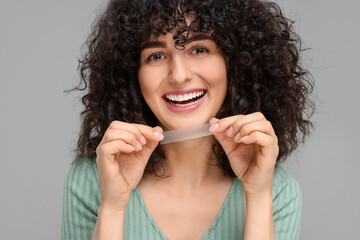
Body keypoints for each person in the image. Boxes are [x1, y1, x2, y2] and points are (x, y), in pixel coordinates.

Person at [62, 0, 314, 239]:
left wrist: (258, 196)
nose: (179, 75)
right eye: (156, 56)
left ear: (235, 62)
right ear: (131, 74)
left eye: (199, 49)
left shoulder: (277, 191)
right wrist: (112, 206)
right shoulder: (91, 181)